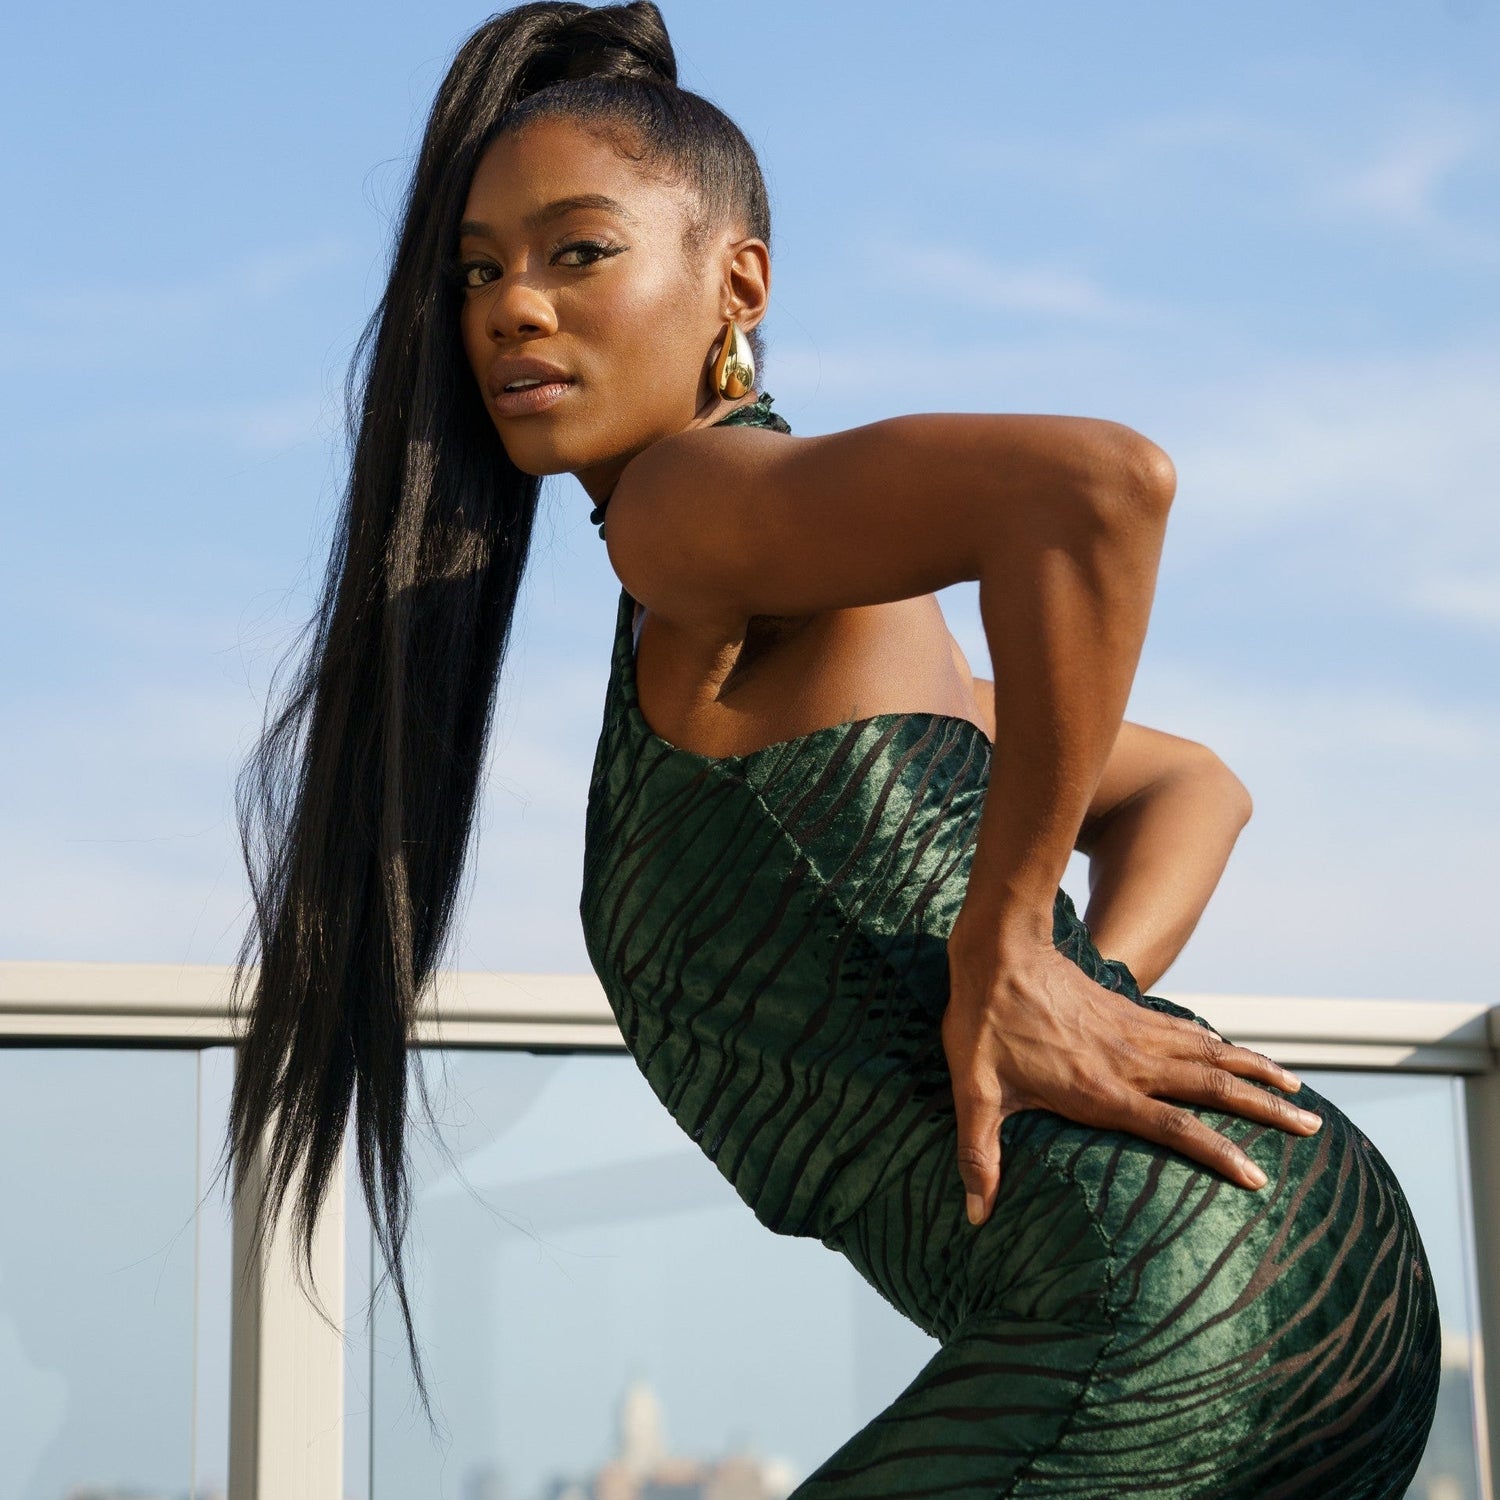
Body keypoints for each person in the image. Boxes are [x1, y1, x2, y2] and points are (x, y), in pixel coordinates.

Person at [221, 2, 1441, 1493]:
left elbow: (1097, 487)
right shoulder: (826, 617)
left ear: (737, 282)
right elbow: (1194, 786)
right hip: (1313, 1265)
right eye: (480, 271)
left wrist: (1018, 956)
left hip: (1164, 1296)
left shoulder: (685, 513)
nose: (512, 309)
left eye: (578, 253)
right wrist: (1049, 993)